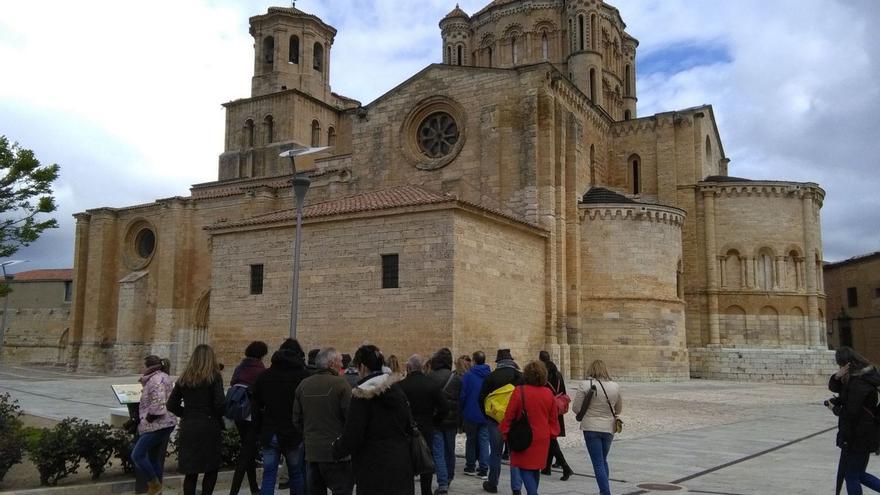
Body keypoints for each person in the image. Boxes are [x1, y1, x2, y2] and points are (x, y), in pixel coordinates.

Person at [333, 344, 414, 495]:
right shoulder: (397, 389)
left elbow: (353, 434)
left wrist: (337, 449)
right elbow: (409, 424)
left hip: (372, 463)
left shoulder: (362, 395)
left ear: (362, 367)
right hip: (401, 460)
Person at [293, 347, 354, 495]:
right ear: (332, 363)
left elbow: (296, 419)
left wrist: (309, 436)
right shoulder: (341, 385)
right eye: (340, 362)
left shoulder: (303, 385)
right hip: (337, 454)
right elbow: (351, 419)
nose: (342, 365)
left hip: (312, 452)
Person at [167, 344, 225, 495]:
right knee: (211, 468)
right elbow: (220, 403)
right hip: (209, 425)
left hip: (189, 425)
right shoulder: (214, 377)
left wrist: (186, 413)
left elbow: (171, 404)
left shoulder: (184, 378)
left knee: (191, 471)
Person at [252, 348, 311, 495]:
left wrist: (258, 431)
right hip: (294, 432)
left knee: (269, 474)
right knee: (296, 474)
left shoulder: (264, 376)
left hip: (270, 431)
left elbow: (256, 406)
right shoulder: (303, 377)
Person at [500, 361, 560, 495]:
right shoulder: (548, 394)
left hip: (523, 436)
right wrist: (552, 434)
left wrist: (505, 432)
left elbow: (509, 415)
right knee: (535, 469)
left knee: (524, 469)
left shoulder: (519, 391)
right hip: (542, 437)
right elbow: (553, 419)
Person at [828, 346, 880, 495]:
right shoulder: (860, 377)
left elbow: (851, 412)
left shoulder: (860, 383)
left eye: (840, 365)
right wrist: (837, 376)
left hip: (859, 435)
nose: (839, 368)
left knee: (851, 476)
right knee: (858, 474)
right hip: (862, 433)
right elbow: (834, 388)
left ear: (847, 363)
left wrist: (834, 409)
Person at [399, 354, 449, 495]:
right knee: (426, 462)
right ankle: (426, 492)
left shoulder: (401, 386)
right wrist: (435, 421)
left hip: (407, 429)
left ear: (408, 367)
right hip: (427, 428)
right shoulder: (431, 385)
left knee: (407, 463)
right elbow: (444, 407)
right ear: (423, 367)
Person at [572, 360, 622, 495]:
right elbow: (618, 409)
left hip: (591, 428)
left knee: (598, 463)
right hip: (608, 428)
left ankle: (605, 493)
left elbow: (576, 408)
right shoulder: (615, 386)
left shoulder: (585, 385)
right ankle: (604, 491)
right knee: (602, 460)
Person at [479, 349, 523, 494]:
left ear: (498, 362)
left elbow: (481, 399)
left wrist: (488, 416)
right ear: (511, 361)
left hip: (495, 421)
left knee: (496, 453)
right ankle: (516, 488)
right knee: (515, 454)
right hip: (515, 421)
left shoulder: (491, 377)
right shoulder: (520, 377)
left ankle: (493, 484)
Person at [131, 355, 176, 495]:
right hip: (164, 422)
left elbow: (158, 402)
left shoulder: (157, 379)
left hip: (159, 423)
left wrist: (148, 419)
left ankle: (154, 484)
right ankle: (158, 491)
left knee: (137, 455)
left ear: (148, 366)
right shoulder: (160, 377)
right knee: (153, 458)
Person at [228, 341, 268, 495]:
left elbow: (233, 383)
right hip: (252, 415)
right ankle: (234, 491)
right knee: (246, 454)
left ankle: (253, 487)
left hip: (239, 413)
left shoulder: (239, 368)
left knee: (248, 450)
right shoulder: (260, 370)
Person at [429, 348, 461, 495]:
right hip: (452, 421)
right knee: (450, 450)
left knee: (438, 452)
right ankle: (449, 477)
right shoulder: (456, 378)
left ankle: (442, 484)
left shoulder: (431, 377)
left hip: (436, 419)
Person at [538, 351, 572, 480]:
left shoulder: (543, 374)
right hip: (557, 408)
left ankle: (565, 467)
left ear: (541, 360)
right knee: (551, 437)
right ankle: (547, 467)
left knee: (551, 439)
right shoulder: (558, 373)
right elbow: (563, 390)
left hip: (547, 409)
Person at [460, 351, 491, 480]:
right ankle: (484, 469)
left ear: (474, 361)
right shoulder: (489, 375)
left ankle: (470, 466)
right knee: (484, 441)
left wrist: (462, 410)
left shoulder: (468, 375)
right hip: (485, 413)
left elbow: (463, 395)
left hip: (471, 412)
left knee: (471, 440)